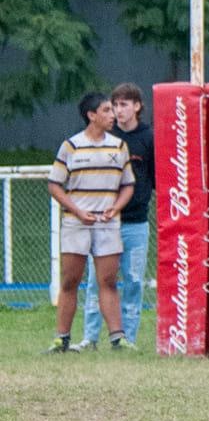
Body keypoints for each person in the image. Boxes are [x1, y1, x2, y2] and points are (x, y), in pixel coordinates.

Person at [46, 92, 135, 353]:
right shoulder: (71, 146)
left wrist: (114, 208)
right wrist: (76, 210)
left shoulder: (119, 147)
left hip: (107, 224)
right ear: (92, 115)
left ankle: (117, 339)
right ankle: (61, 338)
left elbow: (128, 185)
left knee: (108, 280)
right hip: (76, 223)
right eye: (107, 110)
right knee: (70, 280)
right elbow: (54, 185)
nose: (113, 115)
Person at [75, 82, 154, 350]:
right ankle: (90, 337)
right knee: (97, 281)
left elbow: (154, 179)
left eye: (123, 104)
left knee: (133, 281)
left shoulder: (149, 137)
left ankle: (126, 339)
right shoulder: (108, 137)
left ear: (136, 106)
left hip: (136, 222)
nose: (118, 111)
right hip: (105, 223)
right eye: (114, 105)